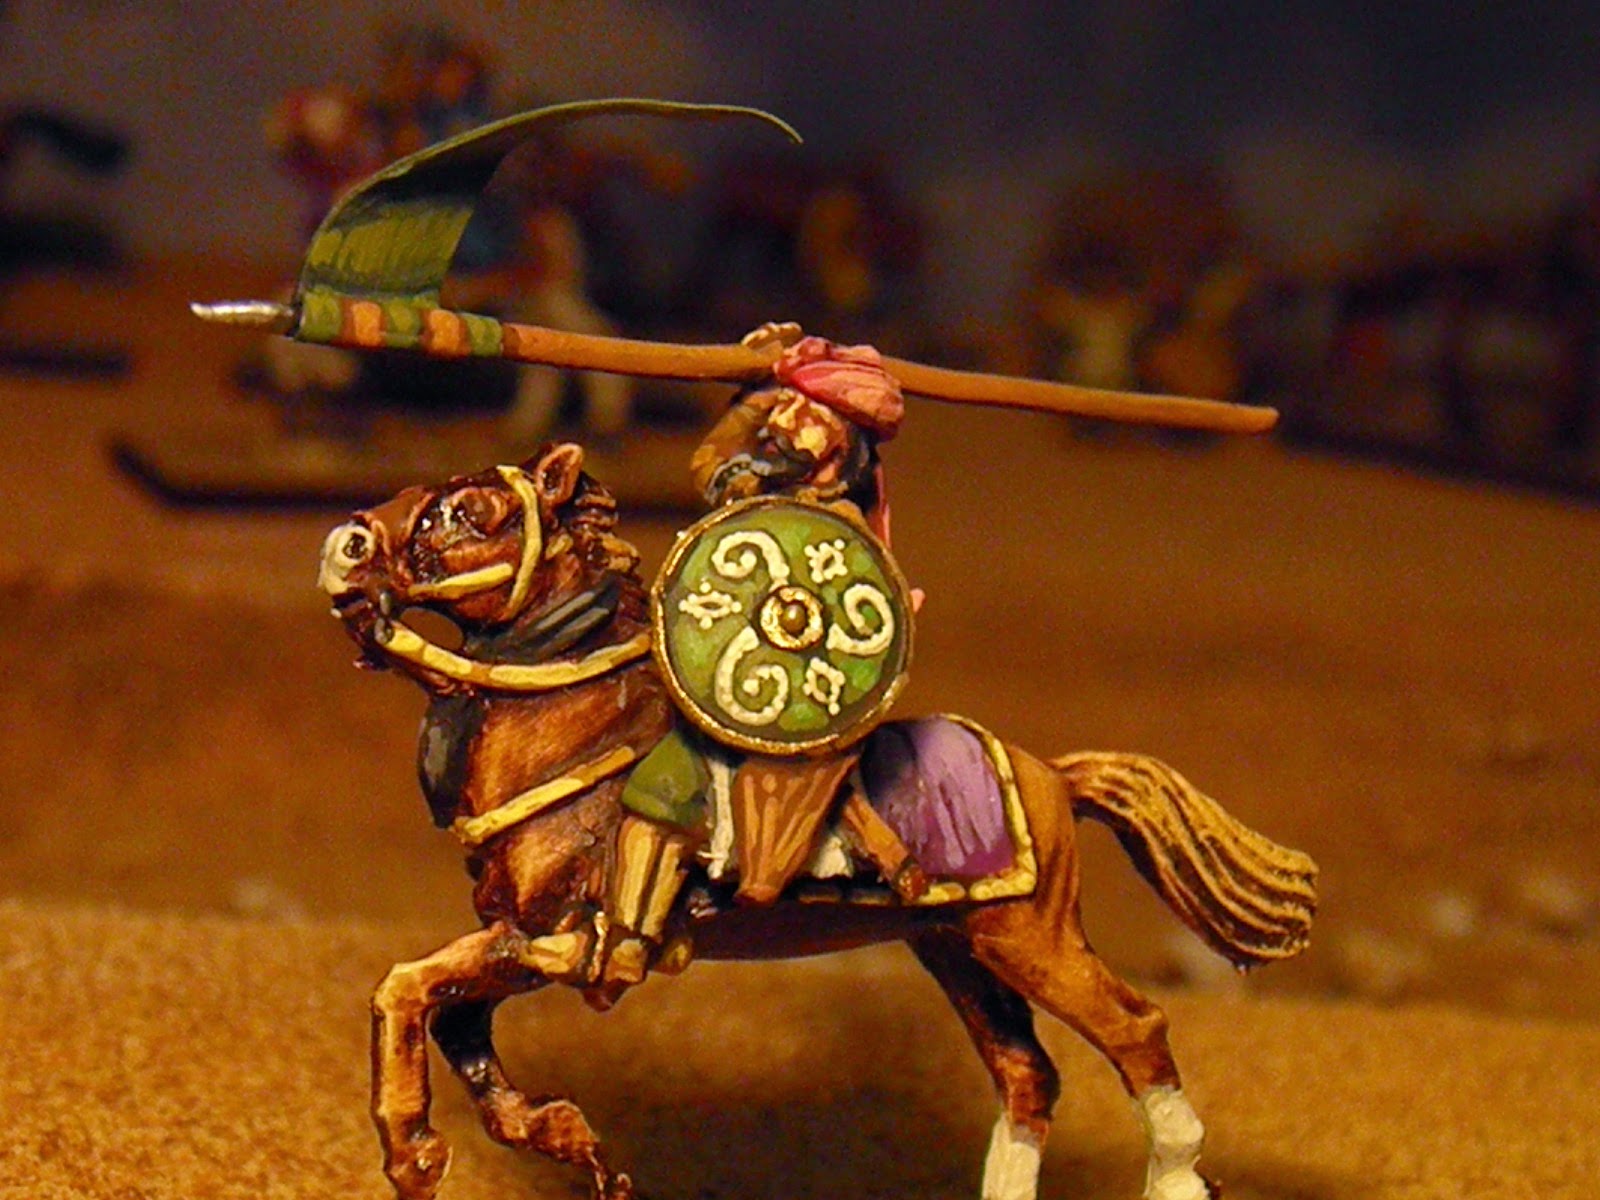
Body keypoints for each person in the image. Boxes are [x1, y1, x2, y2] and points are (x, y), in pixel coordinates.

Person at [598, 327, 924, 990]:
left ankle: (652, 927)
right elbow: (709, 463)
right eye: (786, 407)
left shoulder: (842, 535)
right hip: (729, 687)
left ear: (842, 442)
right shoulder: (757, 497)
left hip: (787, 722)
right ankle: (633, 934)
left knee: (663, 788)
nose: (784, 422)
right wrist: (760, 388)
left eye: (806, 413)